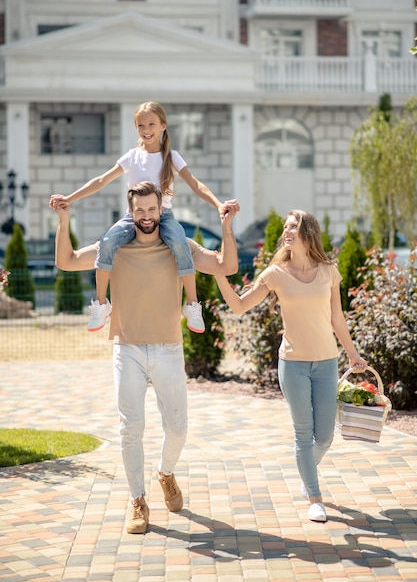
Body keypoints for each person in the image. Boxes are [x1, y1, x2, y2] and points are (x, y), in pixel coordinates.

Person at [50, 181, 239, 534]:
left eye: (153, 210)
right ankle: (137, 499)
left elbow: (226, 266)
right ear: (131, 211)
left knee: (178, 428)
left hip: (168, 347)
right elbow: (67, 261)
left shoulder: (178, 245)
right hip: (127, 347)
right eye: (140, 211)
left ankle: (165, 473)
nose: (147, 217)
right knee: (130, 429)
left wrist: (226, 226)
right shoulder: (115, 245)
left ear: (161, 211)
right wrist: (64, 221)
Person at [214, 210, 367, 523]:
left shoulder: (328, 271)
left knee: (324, 437)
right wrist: (217, 274)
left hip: (326, 363)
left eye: (293, 227)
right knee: (303, 433)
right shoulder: (275, 273)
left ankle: (305, 470)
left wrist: (352, 354)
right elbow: (240, 306)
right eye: (285, 227)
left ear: (307, 232)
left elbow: (338, 318)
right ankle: (314, 496)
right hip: (293, 364)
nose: (287, 231)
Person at [51, 101, 234, 334]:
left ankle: (191, 305)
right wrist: (70, 198)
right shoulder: (132, 156)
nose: (146, 129)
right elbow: (101, 180)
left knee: (180, 243)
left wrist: (218, 204)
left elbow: (196, 184)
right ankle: (101, 304)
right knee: (107, 242)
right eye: (140, 125)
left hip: (163, 216)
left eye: (151, 124)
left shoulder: (172, 157)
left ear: (163, 126)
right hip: (133, 216)